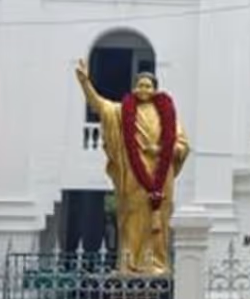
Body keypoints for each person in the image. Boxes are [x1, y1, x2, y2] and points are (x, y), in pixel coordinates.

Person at [75, 61, 190, 275]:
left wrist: (163, 150)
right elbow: (99, 105)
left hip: (161, 176)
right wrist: (85, 83)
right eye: (140, 85)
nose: (144, 89)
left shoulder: (168, 116)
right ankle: (129, 264)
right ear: (134, 88)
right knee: (132, 216)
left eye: (148, 85)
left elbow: (183, 145)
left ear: (155, 89)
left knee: (160, 220)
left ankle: (156, 263)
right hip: (134, 176)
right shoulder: (122, 111)